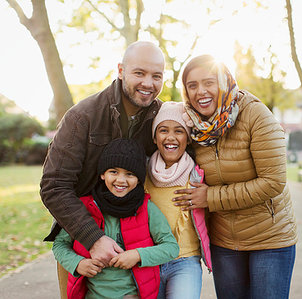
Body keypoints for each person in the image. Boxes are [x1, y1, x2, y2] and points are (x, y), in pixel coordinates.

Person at [40, 41, 165, 297]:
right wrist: (93, 238)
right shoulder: (82, 117)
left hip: (133, 243)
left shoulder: (160, 117)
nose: (148, 83)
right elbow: (54, 185)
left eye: (156, 76)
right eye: (139, 73)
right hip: (81, 241)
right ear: (121, 70)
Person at [173, 54, 298, 299]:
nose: (201, 91)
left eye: (209, 82)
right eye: (192, 85)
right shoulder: (191, 124)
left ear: (224, 81)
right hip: (224, 242)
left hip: (269, 239)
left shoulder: (255, 115)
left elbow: (272, 182)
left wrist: (210, 197)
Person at [52, 139, 180, 299]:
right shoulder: (84, 208)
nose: (121, 180)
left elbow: (171, 248)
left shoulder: (146, 208)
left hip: (132, 295)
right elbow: (59, 245)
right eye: (114, 171)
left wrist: (137, 255)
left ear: (139, 179)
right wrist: (78, 264)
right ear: (102, 174)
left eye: (130, 174)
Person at [144, 101, 212, 299]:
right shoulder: (143, 171)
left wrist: (211, 195)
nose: (171, 137)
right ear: (155, 137)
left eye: (179, 131)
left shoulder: (198, 174)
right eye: (163, 130)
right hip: (149, 260)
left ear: (188, 138)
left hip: (185, 260)